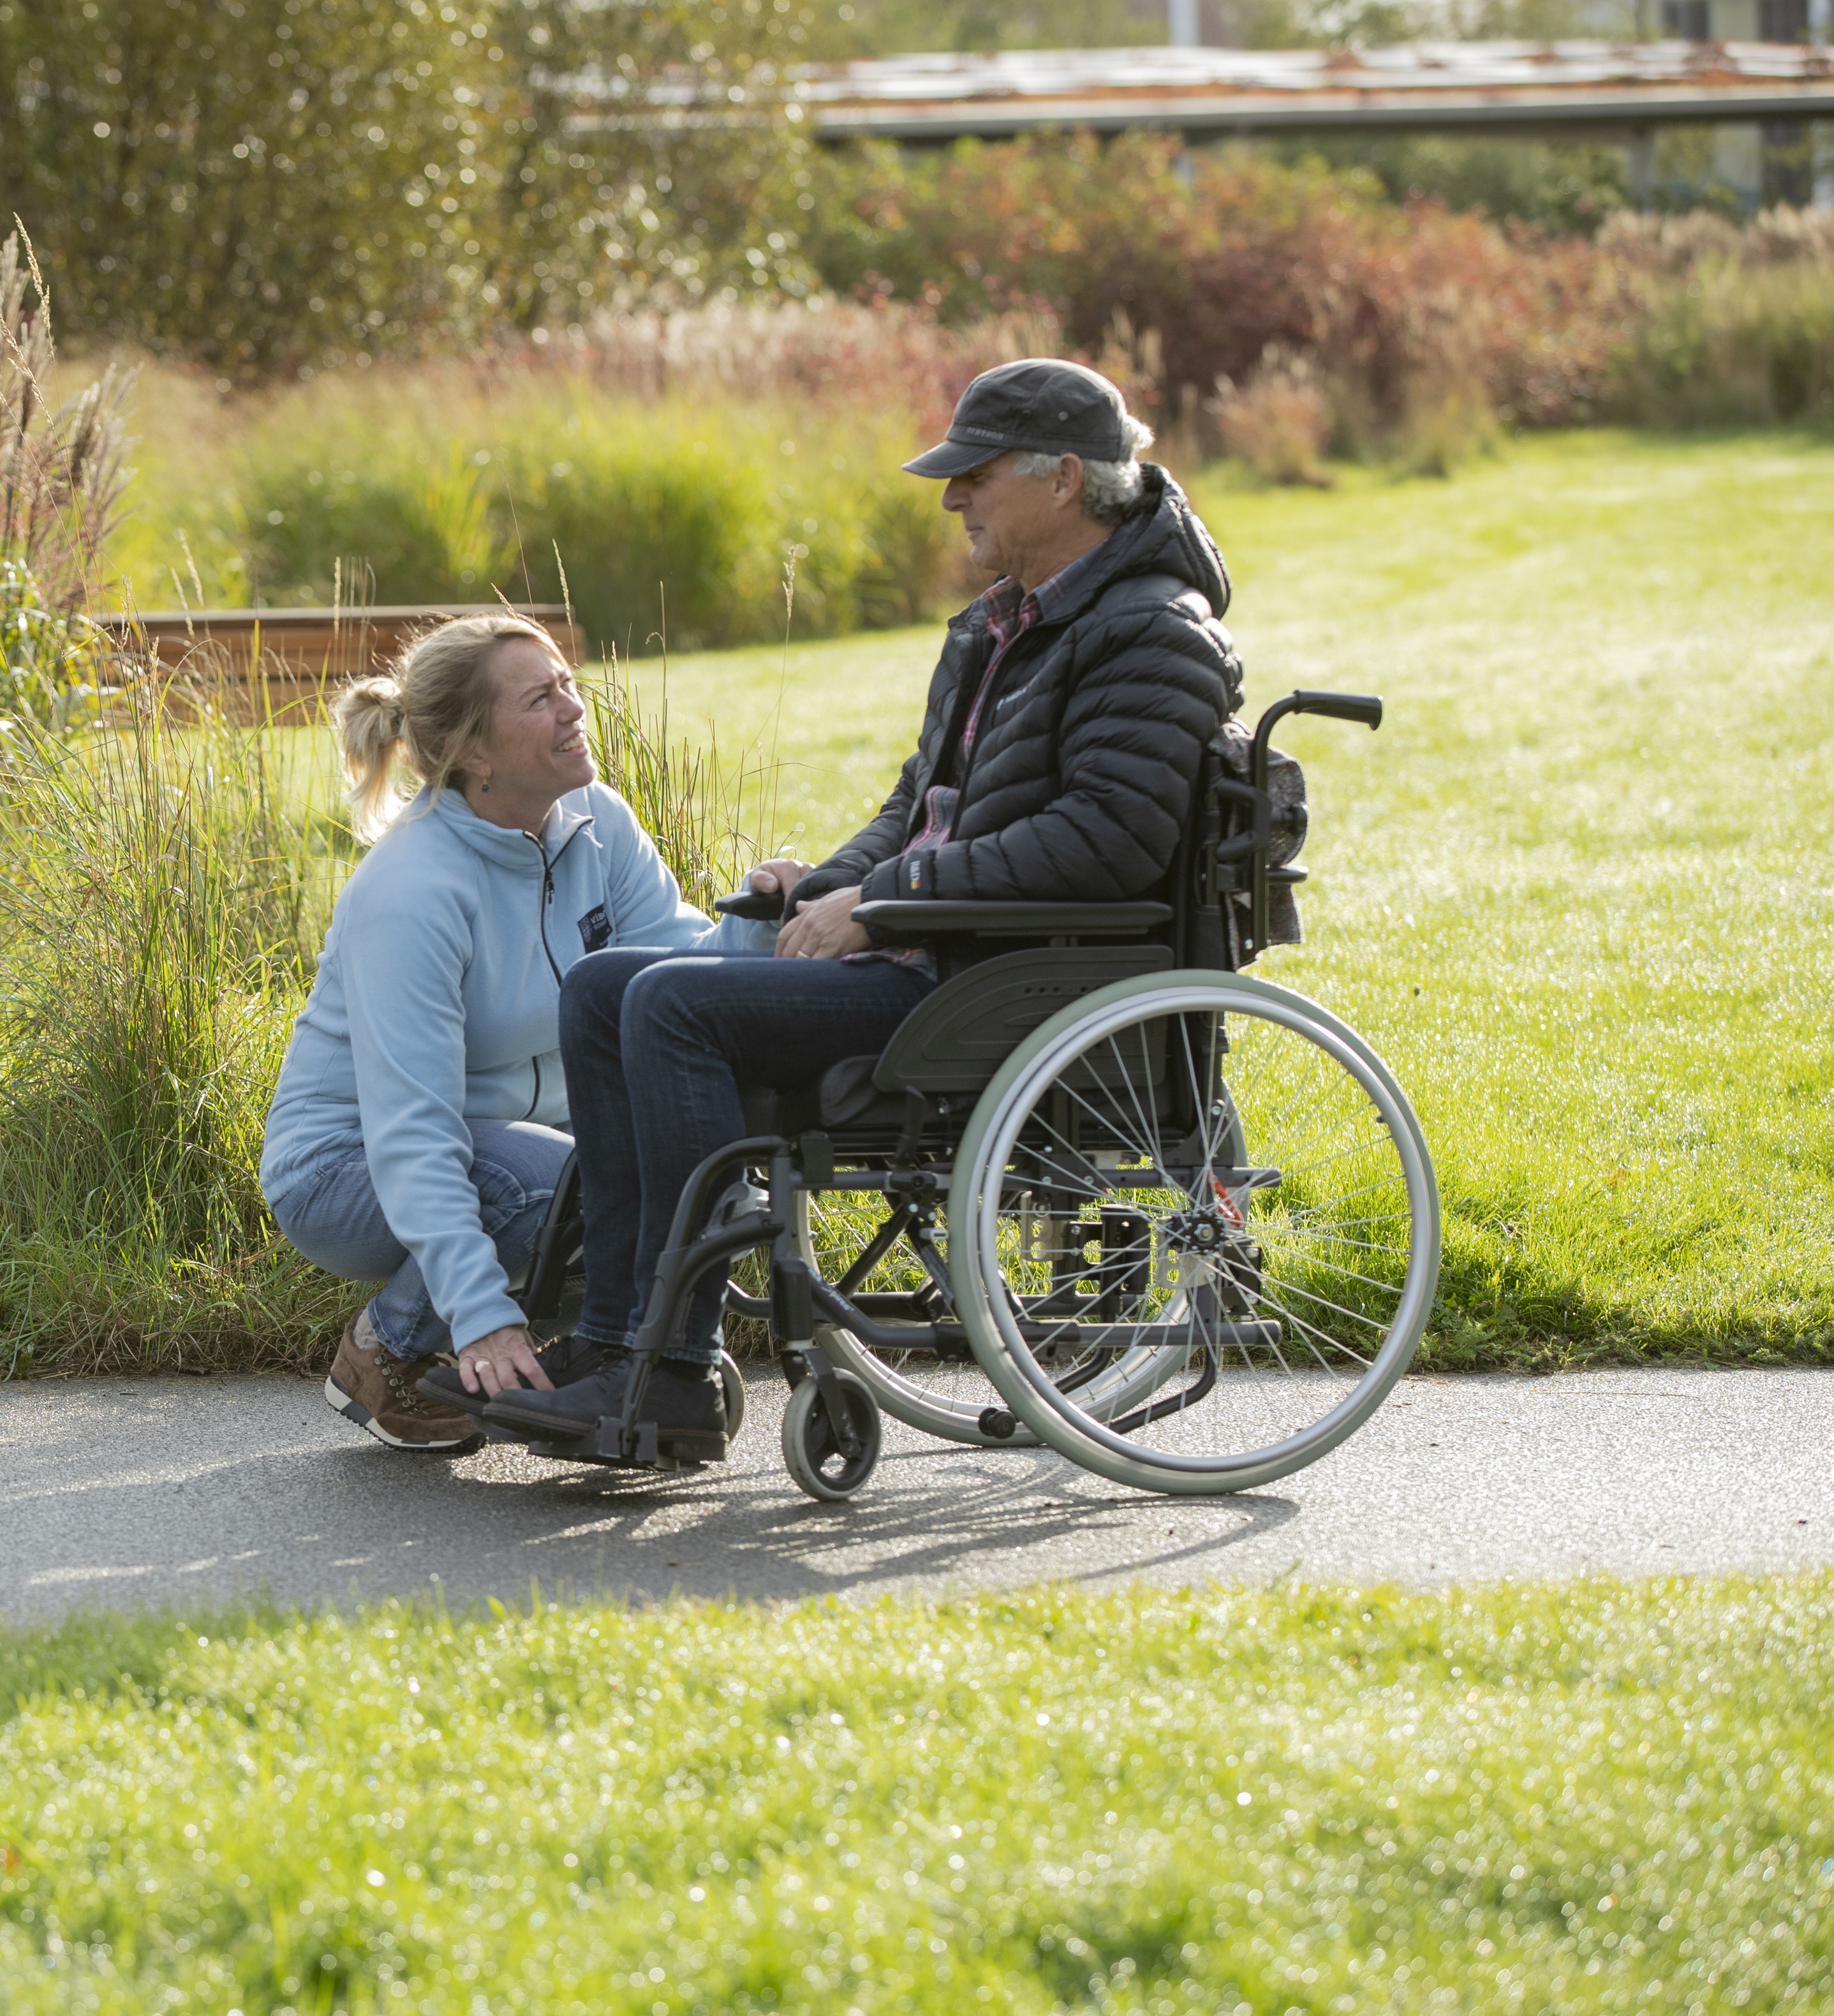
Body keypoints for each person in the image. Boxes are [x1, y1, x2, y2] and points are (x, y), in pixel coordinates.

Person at [483, 358, 1245, 1456]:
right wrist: (837, 882)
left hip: (995, 987)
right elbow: (920, 807)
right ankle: (611, 1344)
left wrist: (887, 905)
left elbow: (1106, 842)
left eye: (974, 476)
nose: (951, 497)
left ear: (1065, 479)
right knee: (608, 987)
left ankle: (675, 1371)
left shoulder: (1152, 634)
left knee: (669, 1008)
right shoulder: (1000, 626)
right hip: (934, 955)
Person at [260, 613, 772, 1451]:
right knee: (564, 1193)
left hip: (518, 1139)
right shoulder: (414, 889)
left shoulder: (596, 821)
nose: (575, 708)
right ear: (476, 753)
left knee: (674, 1172)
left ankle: (626, 1357)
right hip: (348, 1165)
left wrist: (760, 917)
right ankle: (385, 1349)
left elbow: (679, 977)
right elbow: (413, 1130)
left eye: (568, 683)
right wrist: (485, 1316)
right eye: (542, 698)